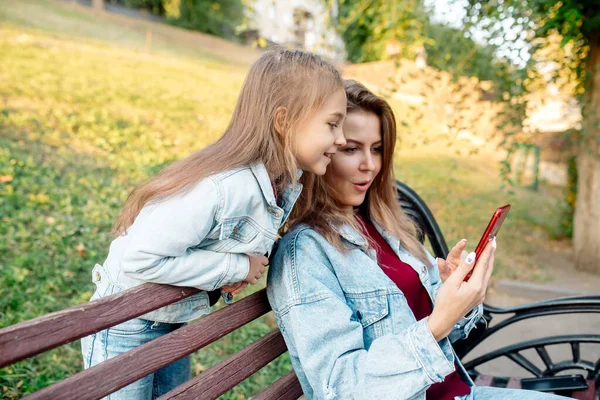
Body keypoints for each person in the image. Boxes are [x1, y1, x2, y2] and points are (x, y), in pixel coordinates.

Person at [267, 80, 567, 400]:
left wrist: (456, 297)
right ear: (323, 151)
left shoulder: (385, 227)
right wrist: (437, 324)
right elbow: (341, 386)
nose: (370, 164)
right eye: (351, 148)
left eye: (377, 148)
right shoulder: (306, 253)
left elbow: (449, 326)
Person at [81, 49, 348, 400]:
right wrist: (237, 266)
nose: (341, 139)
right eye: (332, 124)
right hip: (124, 324)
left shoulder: (279, 182)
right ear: (283, 122)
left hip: (166, 320)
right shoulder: (224, 187)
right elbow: (140, 259)